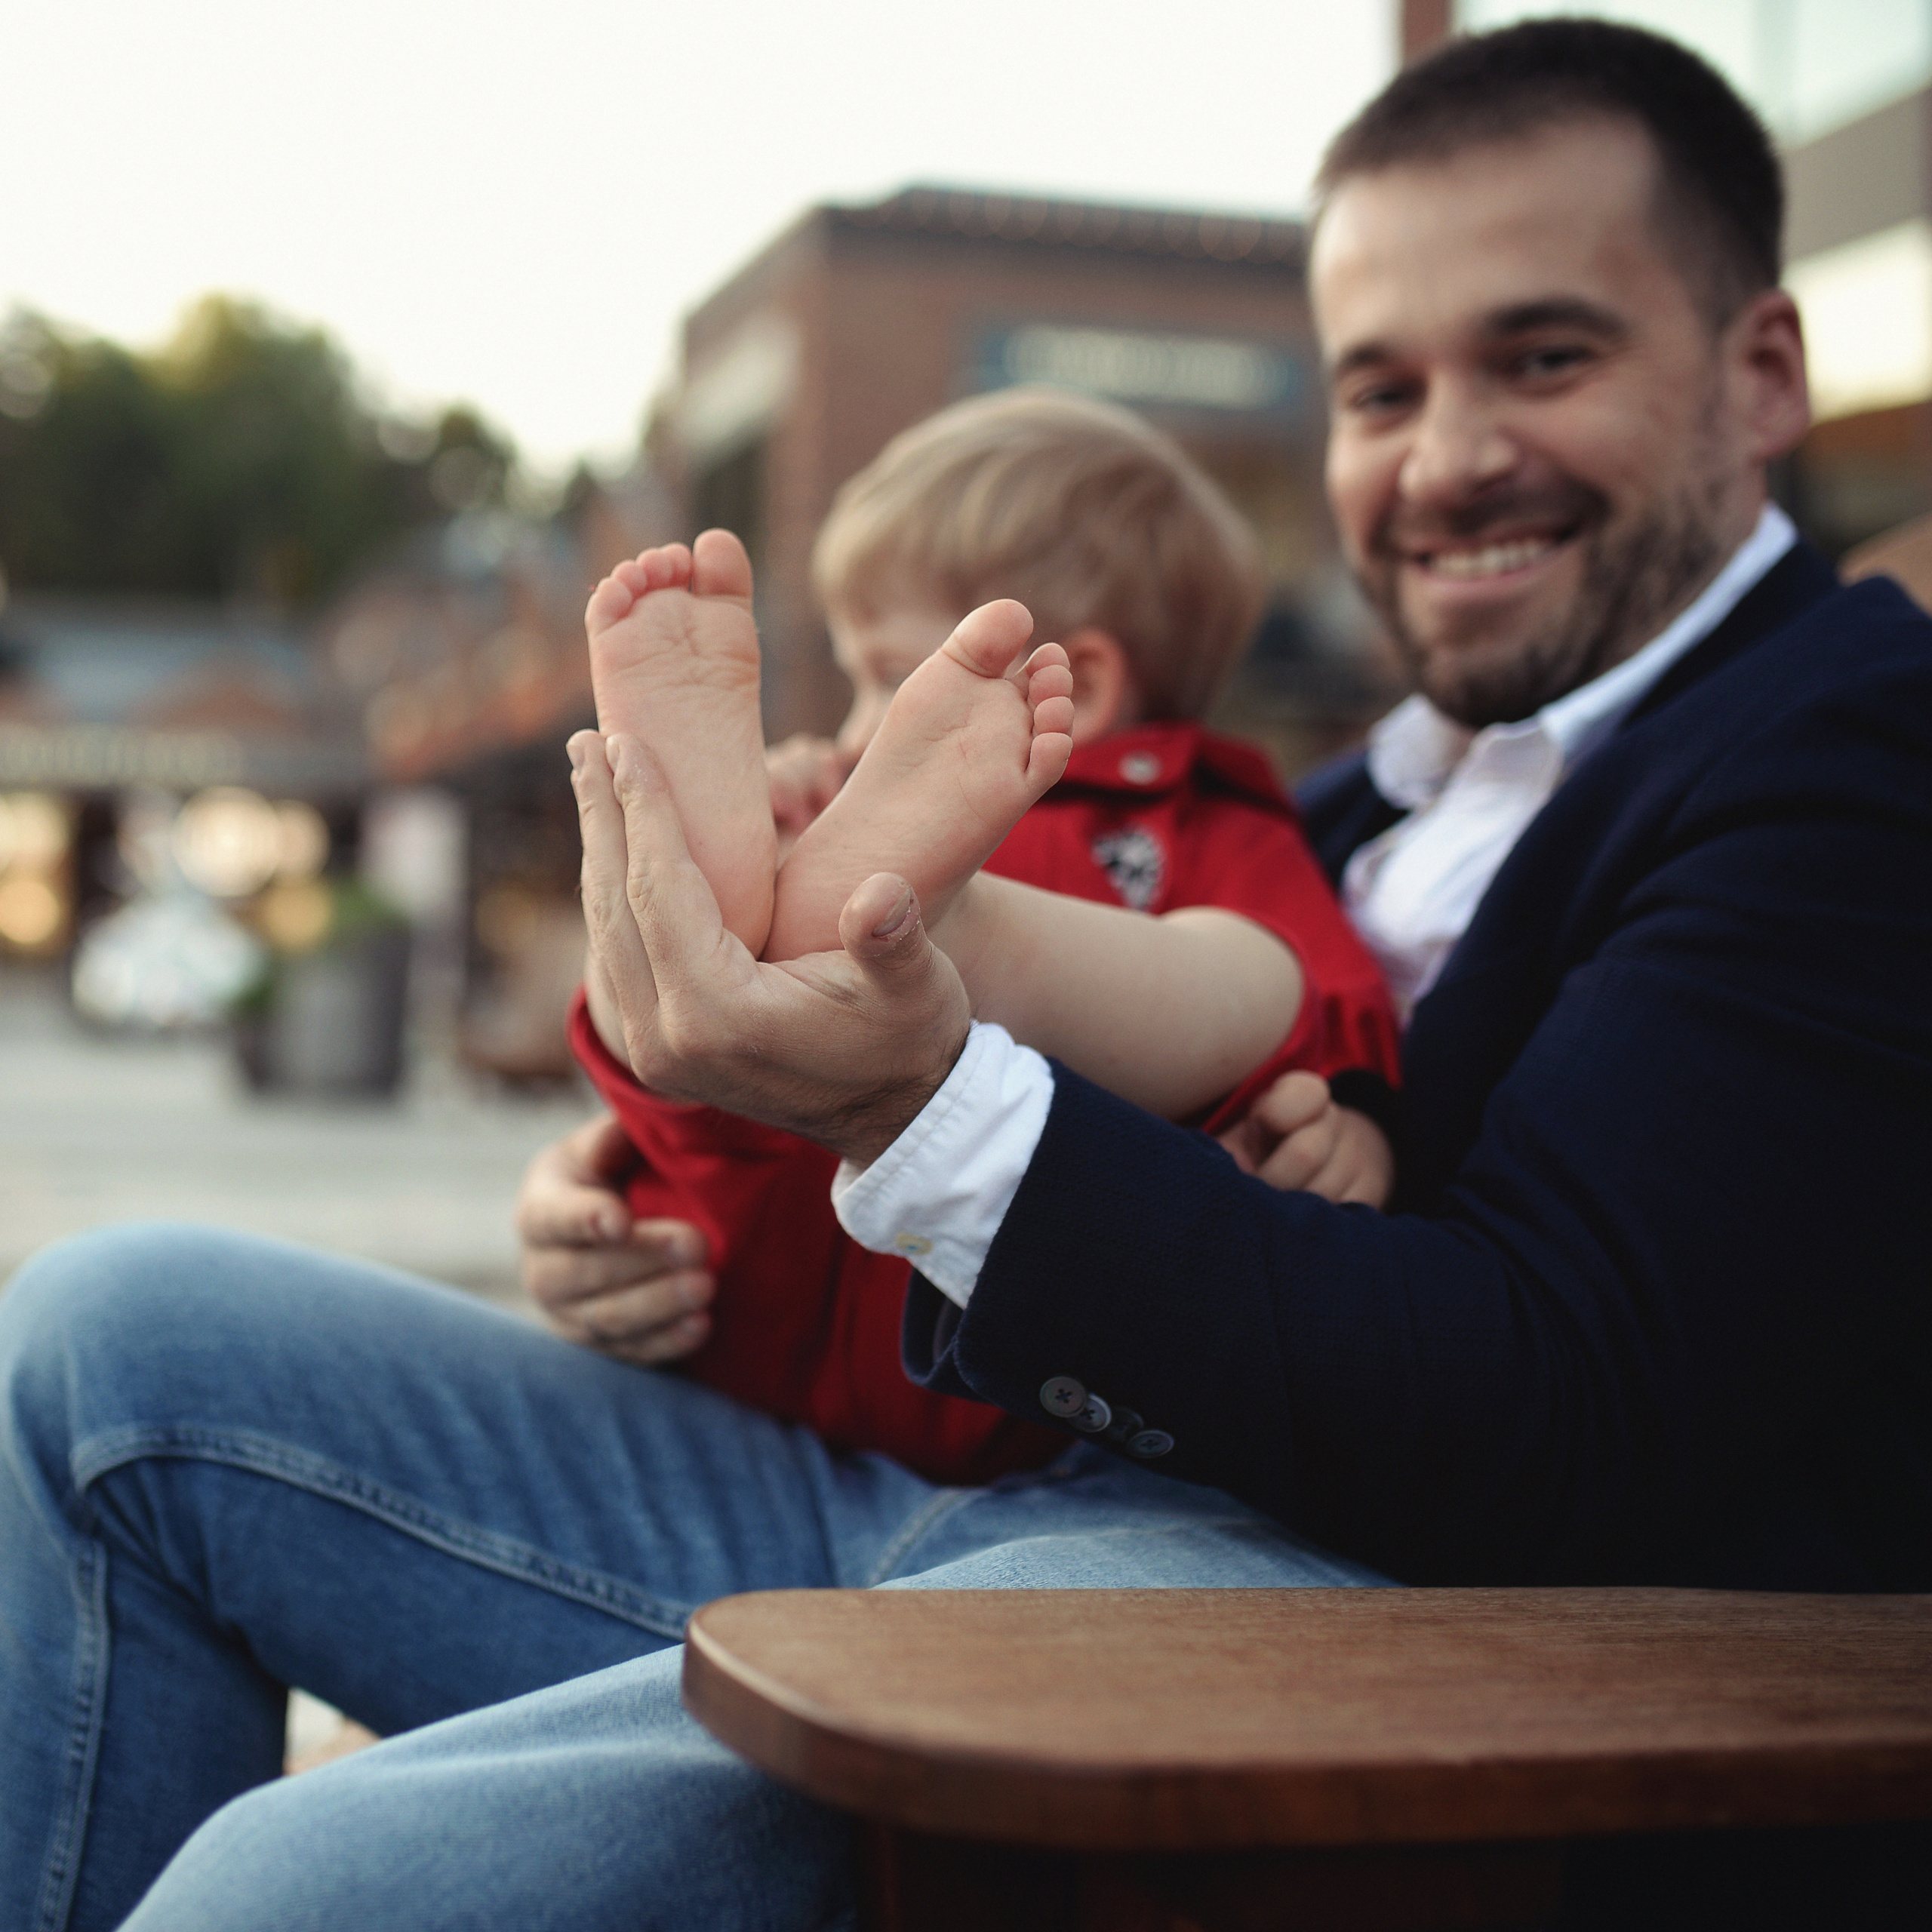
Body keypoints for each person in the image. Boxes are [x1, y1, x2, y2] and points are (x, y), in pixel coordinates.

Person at [3, 20, 1927, 1930]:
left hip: (1362, 1616)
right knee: (103, 1334)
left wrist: (922, 1065)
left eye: (1543, 355)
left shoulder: (1849, 759)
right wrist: (639, 1179)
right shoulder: (1334, 801)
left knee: (292, 1886)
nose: (1445, 459)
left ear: (1762, 372)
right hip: (949, 1483)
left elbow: (1558, 1408)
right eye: (1374, 388)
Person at [566, 388, 1399, 1483]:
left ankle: (851, 922)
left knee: (1249, 981)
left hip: (982, 1374)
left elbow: (1319, 1016)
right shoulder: (847, 797)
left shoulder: (1197, 817)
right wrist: (581, 1205)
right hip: (790, 1330)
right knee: (707, 1059)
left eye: (885, 676)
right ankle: (704, 901)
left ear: (1082, 685)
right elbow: (1348, 1015)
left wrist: (1357, 1140)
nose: (858, 731)